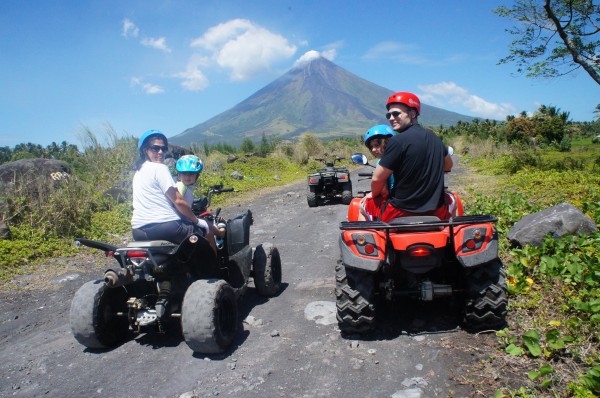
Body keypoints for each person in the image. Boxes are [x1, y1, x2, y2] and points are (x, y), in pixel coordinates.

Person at [361, 92, 454, 222]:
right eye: (389, 115)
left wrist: (373, 194)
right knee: (453, 200)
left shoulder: (397, 141)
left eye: (396, 113)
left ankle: (368, 240)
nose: (391, 118)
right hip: (436, 211)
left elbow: (377, 179)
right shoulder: (436, 139)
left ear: (413, 113)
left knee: (361, 205)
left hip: (399, 212)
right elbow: (448, 166)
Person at [131, 130, 212, 246]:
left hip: (138, 230)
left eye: (164, 149)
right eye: (155, 148)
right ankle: (212, 264)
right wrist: (197, 220)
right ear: (145, 150)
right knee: (206, 232)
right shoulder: (159, 168)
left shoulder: (138, 172)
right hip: (166, 227)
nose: (160, 152)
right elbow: (178, 200)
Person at [175, 154, 226, 251]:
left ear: (197, 175)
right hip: (181, 220)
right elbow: (177, 202)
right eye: (184, 173)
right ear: (179, 174)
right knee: (209, 232)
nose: (187, 176)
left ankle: (219, 233)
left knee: (204, 221)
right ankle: (214, 262)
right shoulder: (181, 186)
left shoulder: (186, 187)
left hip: (183, 219)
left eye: (191, 174)